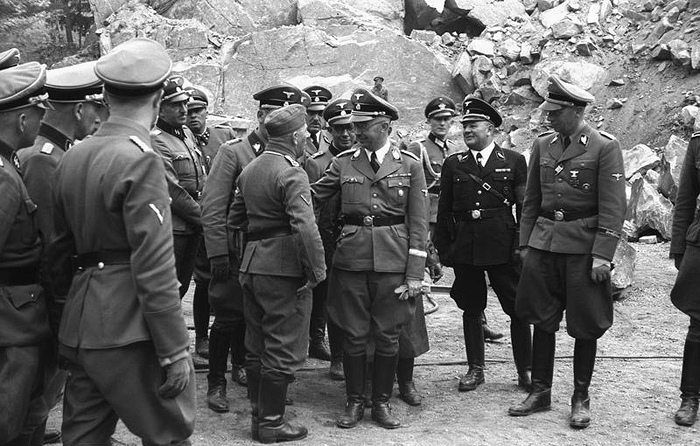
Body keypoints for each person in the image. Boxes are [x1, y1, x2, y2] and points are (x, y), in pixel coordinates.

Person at [47, 37, 195, 444]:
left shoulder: (74, 154)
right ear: (160, 94)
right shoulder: (141, 158)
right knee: (168, 432)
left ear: (106, 95)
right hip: (130, 327)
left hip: (81, 322)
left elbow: (58, 251)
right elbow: (155, 265)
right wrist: (173, 349)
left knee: (83, 436)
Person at [508, 76, 626, 429]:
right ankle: (540, 391)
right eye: (547, 112)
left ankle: (580, 397)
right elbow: (531, 200)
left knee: (585, 324)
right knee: (542, 320)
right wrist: (526, 243)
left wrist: (603, 254)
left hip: (583, 249)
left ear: (575, 111)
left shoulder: (604, 147)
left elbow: (612, 207)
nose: (548, 119)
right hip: (544, 246)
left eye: (555, 113)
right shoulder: (543, 145)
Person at [312, 88, 428, 429]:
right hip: (350, 261)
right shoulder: (343, 161)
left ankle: (380, 403)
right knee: (353, 334)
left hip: (394, 261)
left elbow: (419, 223)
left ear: (386, 125)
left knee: (389, 335)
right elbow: (313, 195)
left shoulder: (410, 165)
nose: (358, 131)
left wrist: (415, 274)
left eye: (365, 125)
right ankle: (354, 401)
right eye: (355, 125)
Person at [15, 60, 107, 446]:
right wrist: (60, 306)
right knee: (36, 386)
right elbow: (47, 245)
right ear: (80, 109)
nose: (101, 117)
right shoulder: (42, 158)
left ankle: (32, 427)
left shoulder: (59, 152)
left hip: (48, 292)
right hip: (40, 297)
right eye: (97, 108)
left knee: (46, 383)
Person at [200, 84, 302, 412]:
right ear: (260, 116)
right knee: (228, 318)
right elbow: (213, 208)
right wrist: (217, 254)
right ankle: (216, 381)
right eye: (274, 114)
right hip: (234, 251)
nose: (278, 122)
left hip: (269, 255)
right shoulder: (234, 152)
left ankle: (245, 370)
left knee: (259, 319)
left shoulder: (291, 152)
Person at [230, 104, 326, 443]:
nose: (305, 140)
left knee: (256, 345)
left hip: (252, 265)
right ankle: (272, 423)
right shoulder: (292, 172)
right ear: (295, 136)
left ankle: (260, 416)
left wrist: (253, 249)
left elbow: (234, 220)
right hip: (283, 271)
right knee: (283, 345)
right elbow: (305, 226)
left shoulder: (250, 169)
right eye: (303, 135)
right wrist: (317, 270)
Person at [435, 97, 531, 394]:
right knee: (471, 307)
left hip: (503, 246)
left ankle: (525, 370)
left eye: (473, 125)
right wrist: (445, 249)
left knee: (517, 309)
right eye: (464, 125)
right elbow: (444, 211)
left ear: (490, 129)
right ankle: (475, 369)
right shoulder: (454, 164)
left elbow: (524, 208)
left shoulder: (514, 161)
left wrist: (521, 245)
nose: (466, 130)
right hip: (466, 247)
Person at [0, 59, 53, 446]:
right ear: (21, 121)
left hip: (15, 313)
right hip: (10, 319)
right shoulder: (2, 176)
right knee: (6, 419)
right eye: (38, 114)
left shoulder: (10, 164)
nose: (40, 123)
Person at [304, 97, 356, 380]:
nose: (345, 134)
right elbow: (309, 205)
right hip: (325, 240)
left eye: (349, 128)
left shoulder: (361, 160)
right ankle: (334, 355)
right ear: (328, 131)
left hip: (354, 238)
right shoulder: (316, 163)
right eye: (339, 129)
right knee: (328, 299)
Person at [185, 85, 236, 359]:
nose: (193, 116)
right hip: (193, 219)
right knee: (203, 281)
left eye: (198, 110)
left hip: (223, 217)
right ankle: (202, 338)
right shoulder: (180, 140)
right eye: (189, 111)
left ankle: (224, 334)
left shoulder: (224, 135)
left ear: (206, 111)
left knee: (226, 278)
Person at [151, 76, 206, 298]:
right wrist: (206, 218)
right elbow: (172, 191)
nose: (184, 109)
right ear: (160, 109)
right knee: (169, 289)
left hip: (193, 223)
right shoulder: (157, 140)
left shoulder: (187, 134)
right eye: (175, 105)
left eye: (185, 103)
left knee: (183, 285)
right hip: (176, 226)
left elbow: (202, 176)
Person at [669, 130, 700, 426]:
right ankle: (690, 397)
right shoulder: (698, 143)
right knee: (698, 325)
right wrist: (679, 248)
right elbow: (686, 199)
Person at [302, 85, 334, 361]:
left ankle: (318, 337)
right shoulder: (302, 145)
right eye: (310, 113)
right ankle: (309, 337)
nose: (315, 118)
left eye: (320, 113)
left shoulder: (331, 140)